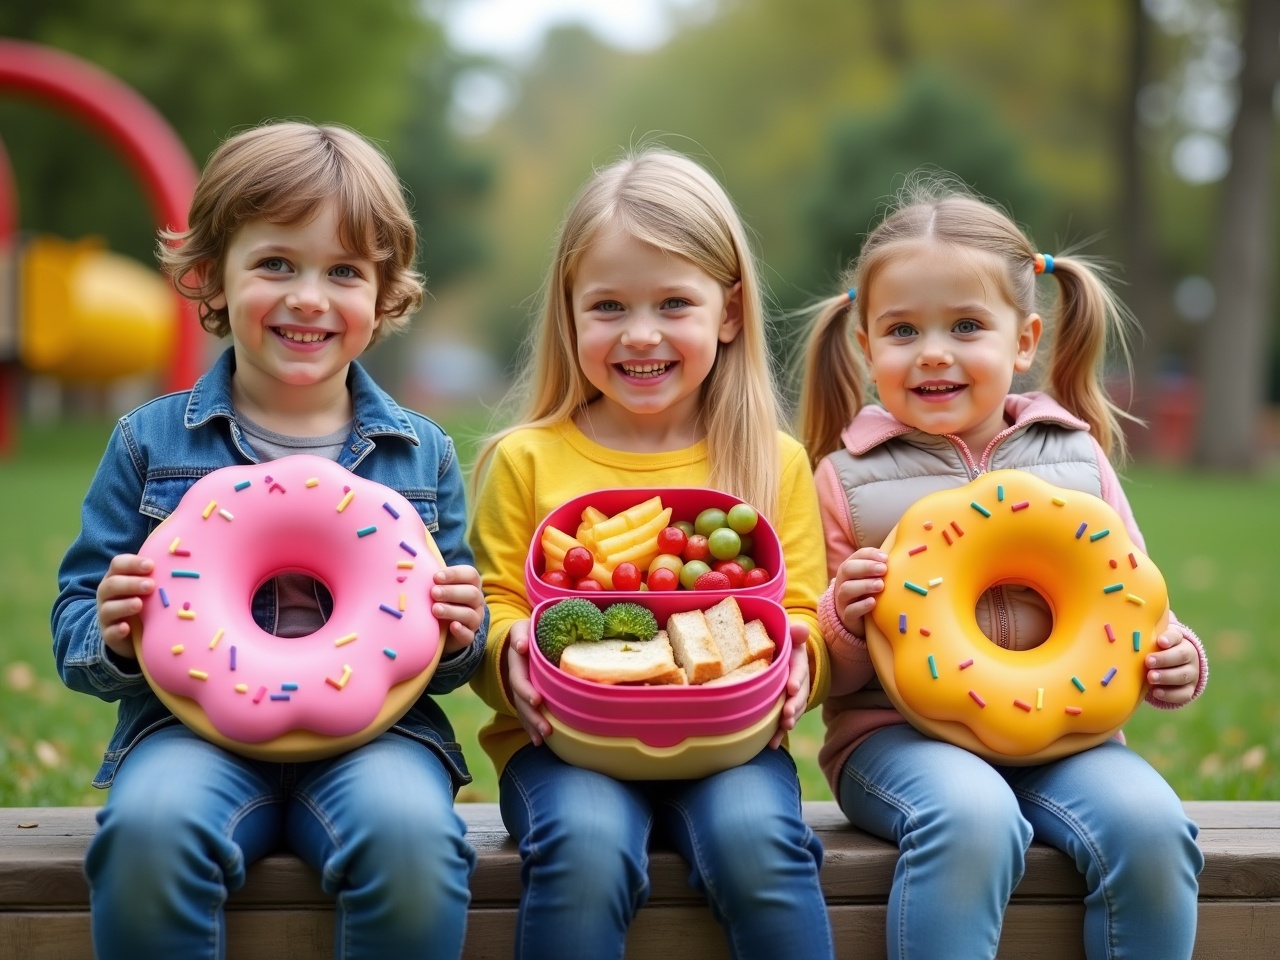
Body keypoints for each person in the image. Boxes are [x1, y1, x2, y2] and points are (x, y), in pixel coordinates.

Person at [51, 121, 488, 960]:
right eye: (277, 263)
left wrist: (464, 629)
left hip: (378, 739)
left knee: (411, 841)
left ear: (383, 294)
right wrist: (106, 627)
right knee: (146, 833)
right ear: (211, 273)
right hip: (190, 733)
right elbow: (75, 617)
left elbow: (451, 643)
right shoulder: (150, 444)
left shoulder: (419, 452)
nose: (310, 298)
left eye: (345, 273)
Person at [797, 174, 1208, 960]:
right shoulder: (845, 478)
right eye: (904, 331)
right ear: (866, 344)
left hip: (1073, 740)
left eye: (966, 326)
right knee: (975, 820)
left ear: (1023, 340)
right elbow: (826, 677)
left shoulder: (1078, 458)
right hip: (899, 740)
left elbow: (1132, 601)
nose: (935, 354)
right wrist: (844, 617)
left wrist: (1176, 656)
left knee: (1154, 830)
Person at [468, 147, 835, 960]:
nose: (641, 335)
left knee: (758, 845)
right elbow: (494, 606)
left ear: (729, 312)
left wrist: (807, 655)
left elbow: (803, 611)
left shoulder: (775, 462)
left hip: (731, 746)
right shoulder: (523, 460)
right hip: (566, 748)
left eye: (674, 303)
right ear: (568, 313)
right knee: (587, 846)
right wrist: (508, 651)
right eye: (607, 306)